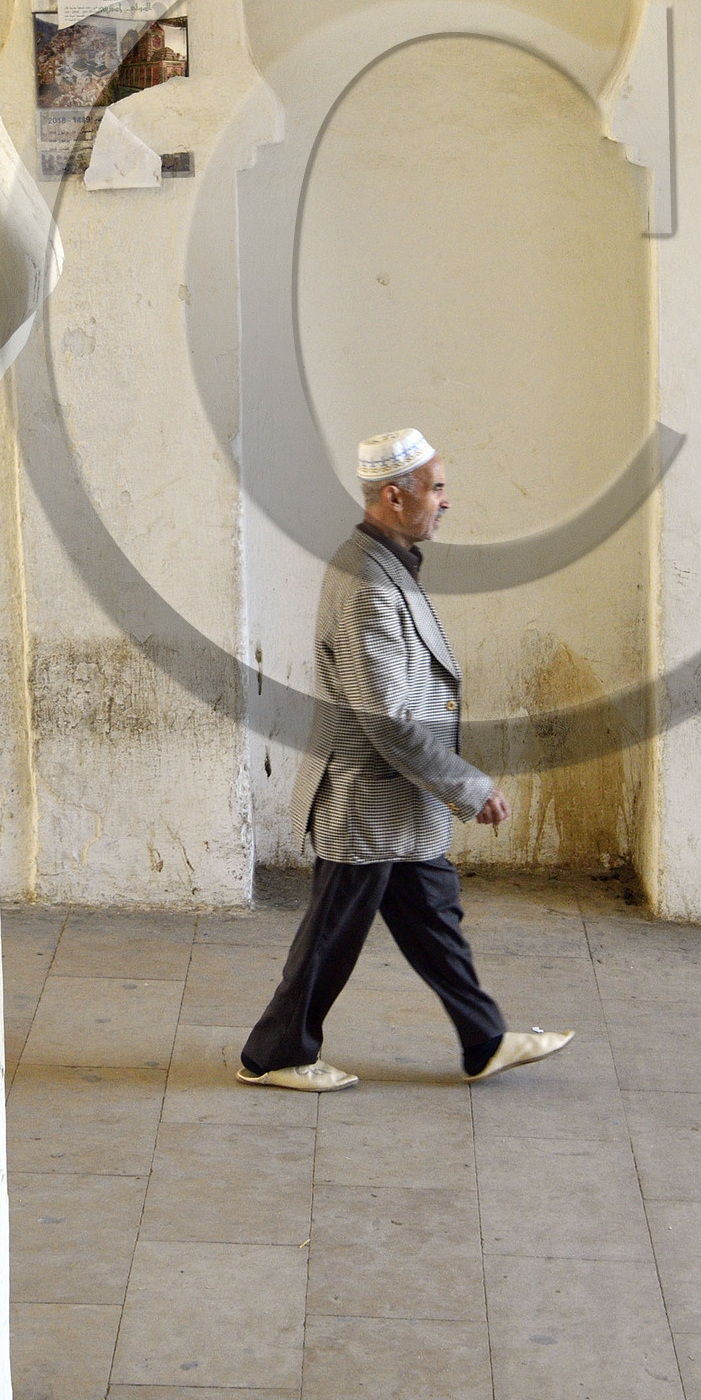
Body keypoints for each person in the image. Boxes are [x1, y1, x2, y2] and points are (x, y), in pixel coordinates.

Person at [239, 428, 575, 1092]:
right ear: (395, 496)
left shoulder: (384, 564)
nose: (445, 503)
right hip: (367, 801)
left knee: (432, 916)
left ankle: (483, 1040)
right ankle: (273, 1055)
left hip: (394, 804)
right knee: (332, 936)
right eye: (437, 488)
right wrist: (469, 787)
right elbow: (386, 718)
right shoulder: (368, 583)